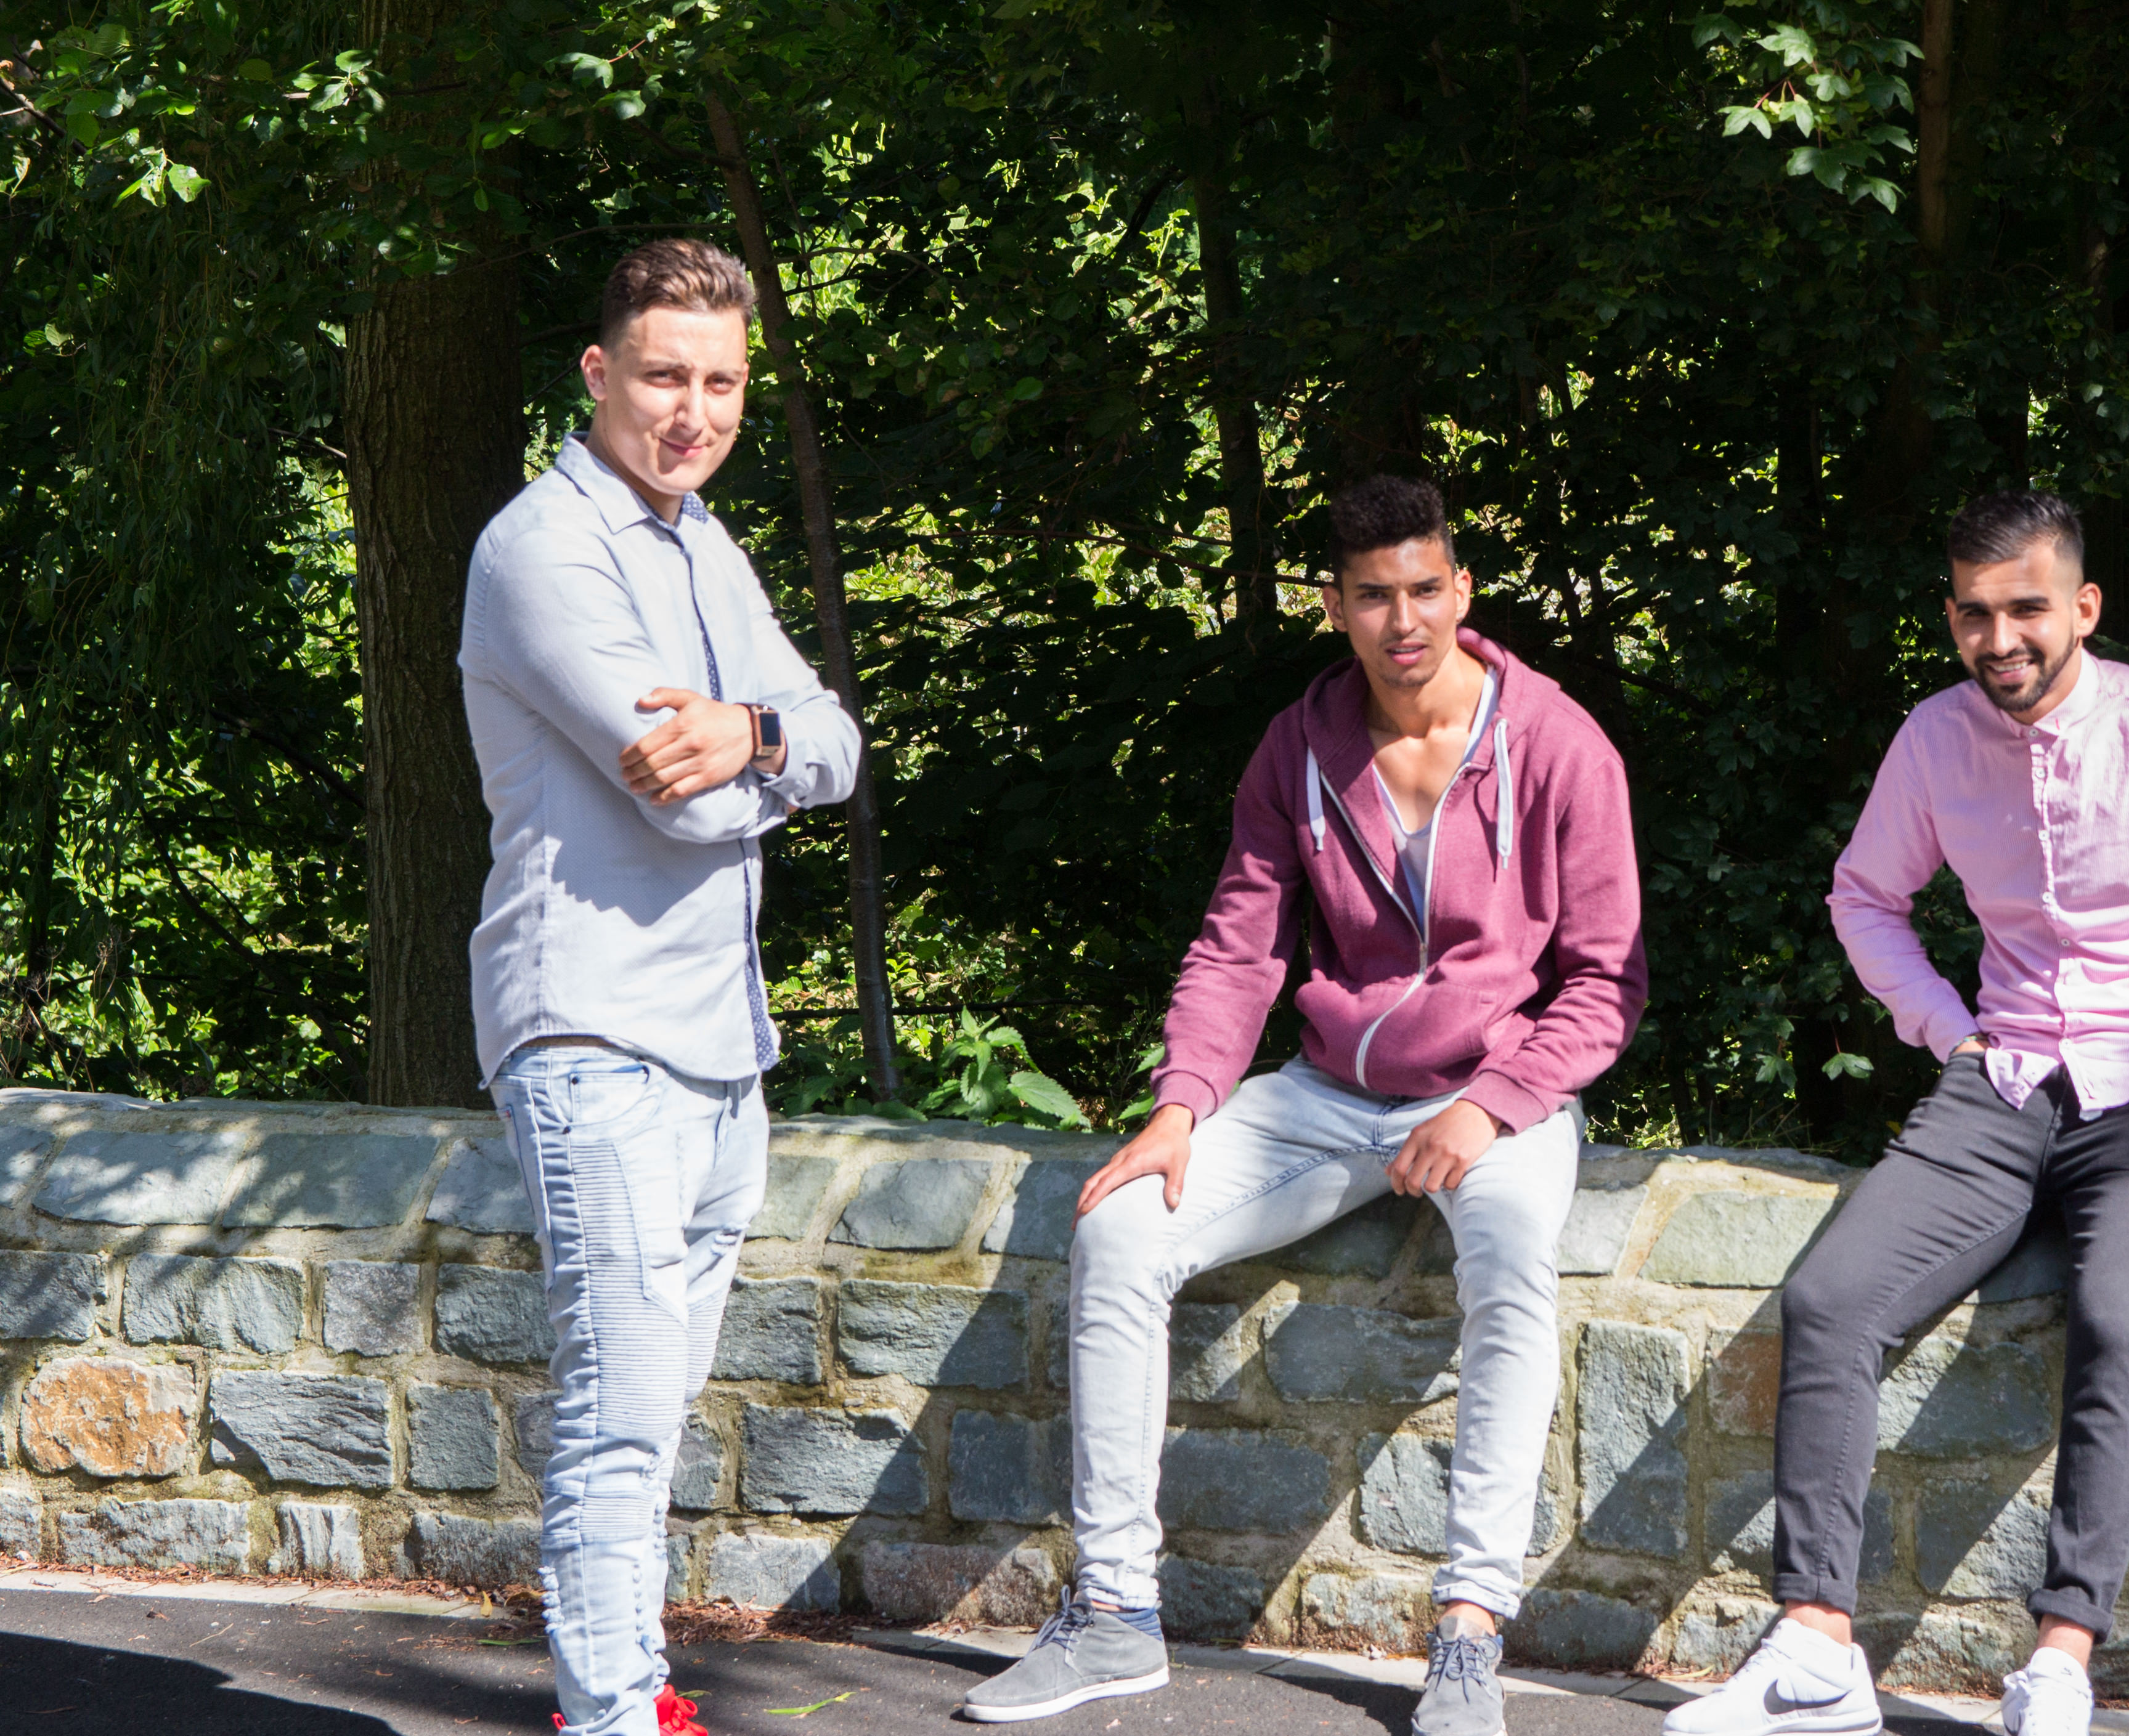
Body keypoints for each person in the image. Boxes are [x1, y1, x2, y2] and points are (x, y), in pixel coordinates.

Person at [1665, 492, 2129, 1736]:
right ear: (1950, 615)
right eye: (1973, 613)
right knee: (1829, 1301)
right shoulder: (1934, 738)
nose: (1999, 638)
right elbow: (1863, 896)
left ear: (2083, 607)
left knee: (2113, 1317)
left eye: (2026, 609)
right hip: (1999, 1086)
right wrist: (1946, 1028)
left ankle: (2058, 1660)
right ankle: (1816, 1654)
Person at [959, 476, 1647, 1735]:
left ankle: (1468, 1629)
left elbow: (1605, 984)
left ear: (1463, 590)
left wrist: (1494, 1104)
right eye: (1374, 595)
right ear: (1333, 605)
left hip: (1499, 1093)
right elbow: (1239, 946)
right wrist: (1181, 1104)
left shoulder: (1557, 743)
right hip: (1328, 1095)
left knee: (1511, 1256)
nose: (1404, 619)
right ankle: (1113, 1611)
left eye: (1426, 589)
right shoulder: (1300, 745)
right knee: (1119, 1226)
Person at [458, 237, 860, 1736]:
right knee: (618, 1413)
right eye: (663, 376)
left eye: (722, 381)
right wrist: (771, 747)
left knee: (655, 1409)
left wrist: (754, 731)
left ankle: (629, 1688)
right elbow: (679, 803)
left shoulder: (704, 546)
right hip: (593, 1033)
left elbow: (834, 740)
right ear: (597, 372)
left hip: (714, 1044)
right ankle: (612, 1709)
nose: (693, 411)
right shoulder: (540, 549)